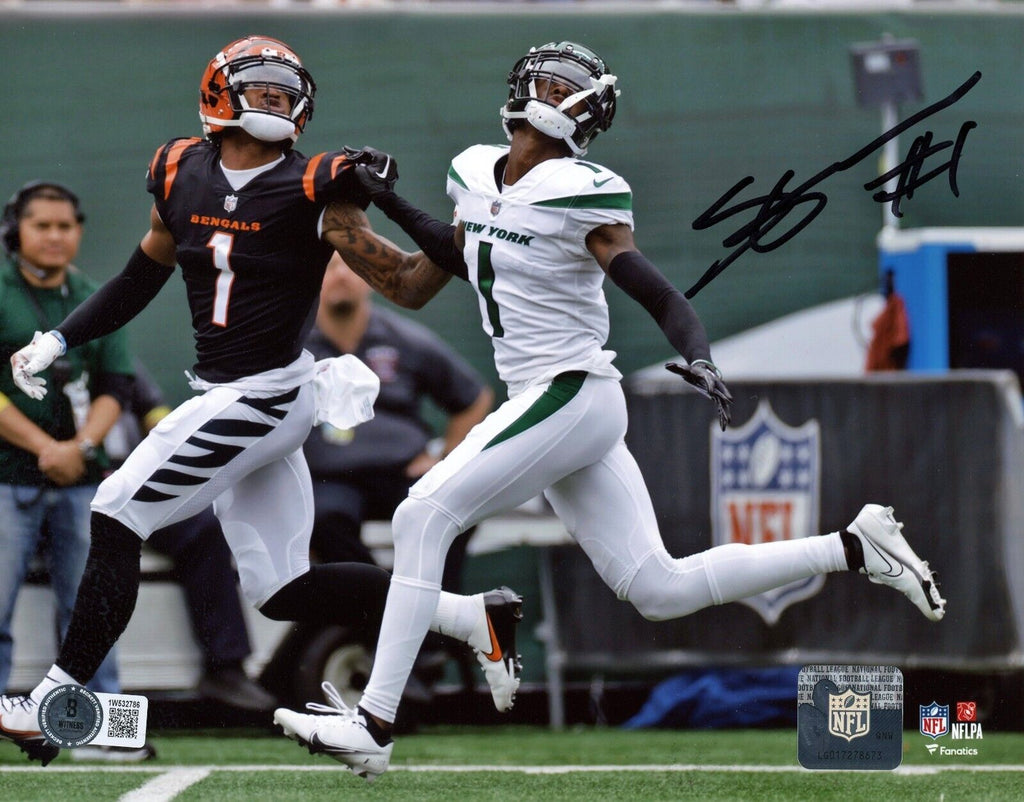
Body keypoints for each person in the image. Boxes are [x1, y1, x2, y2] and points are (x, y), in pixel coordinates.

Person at [272, 41, 948, 782]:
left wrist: (698, 353)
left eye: (571, 87)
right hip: (550, 402)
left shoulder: (582, 191)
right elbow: (448, 257)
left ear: (590, 115)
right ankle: (856, 546)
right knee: (658, 588)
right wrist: (381, 200)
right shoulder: (473, 172)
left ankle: (374, 723)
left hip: (572, 390)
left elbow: (654, 288)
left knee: (420, 516)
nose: (555, 93)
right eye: (550, 80)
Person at [0, 35, 522, 767]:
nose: (278, 102)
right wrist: (59, 339)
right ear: (220, 94)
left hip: (264, 395)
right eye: (263, 90)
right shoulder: (178, 169)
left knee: (116, 510)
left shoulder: (315, 185)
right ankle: (470, 618)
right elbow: (139, 278)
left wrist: (437, 220)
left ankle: (56, 705)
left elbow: (406, 284)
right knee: (282, 588)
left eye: (286, 92)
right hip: (235, 395)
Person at [0, 181, 155, 762]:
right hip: (7, 476)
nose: (55, 236)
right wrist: (46, 446)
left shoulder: (95, 295)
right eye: (41, 225)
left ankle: (103, 730)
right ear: (15, 231)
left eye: (65, 226)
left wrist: (80, 447)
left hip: (81, 480)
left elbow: (118, 385)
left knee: (92, 610)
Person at [305, 252, 494, 697]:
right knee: (325, 520)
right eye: (329, 267)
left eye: (350, 267)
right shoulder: (296, 348)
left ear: (368, 278)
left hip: (399, 473)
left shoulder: (403, 339)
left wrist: (446, 456)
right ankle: (391, 626)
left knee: (451, 506)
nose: (340, 277)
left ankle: (431, 627)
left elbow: (474, 398)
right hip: (330, 479)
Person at [104, 359, 276, 712]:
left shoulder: (119, 360)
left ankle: (225, 666)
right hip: (62, 486)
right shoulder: (34, 359)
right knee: (86, 545)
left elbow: (158, 419)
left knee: (202, 527)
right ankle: (92, 702)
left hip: (128, 484)